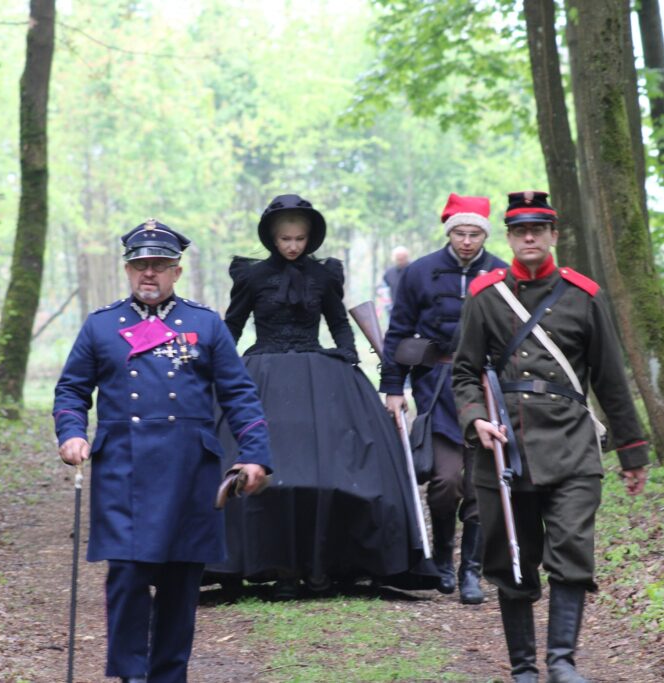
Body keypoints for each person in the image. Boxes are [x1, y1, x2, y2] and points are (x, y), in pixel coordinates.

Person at [53, 219, 272, 683]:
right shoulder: (100, 326)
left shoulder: (205, 324)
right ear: (127, 270)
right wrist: (71, 433)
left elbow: (239, 395)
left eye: (158, 265)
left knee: (180, 581)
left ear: (176, 271)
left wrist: (255, 453)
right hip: (122, 471)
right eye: (140, 265)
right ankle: (132, 674)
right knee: (128, 577)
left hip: (189, 471)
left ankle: (169, 676)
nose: (148, 273)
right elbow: (72, 390)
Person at [452, 191, 650, 683]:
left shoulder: (584, 295)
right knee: (512, 557)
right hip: (505, 448)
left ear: (554, 235)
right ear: (509, 238)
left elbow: (610, 379)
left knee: (573, 551)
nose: (529, 238)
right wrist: (475, 419)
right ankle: (524, 668)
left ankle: (562, 663)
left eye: (538, 230)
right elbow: (463, 372)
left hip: (572, 446)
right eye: (520, 231)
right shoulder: (485, 295)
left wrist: (632, 453)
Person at [205, 193, 438, 600]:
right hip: (264, 372)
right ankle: (269, 564)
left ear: (310, 237)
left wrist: (347, 357)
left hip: (317, 372)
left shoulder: (324, 275)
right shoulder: (252, 277)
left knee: (331, 469)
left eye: (299, 238)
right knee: (260, 467)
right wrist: (219, 367)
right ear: (272, 238)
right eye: (285, 239)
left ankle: (326, 565)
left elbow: (338, 321)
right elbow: (233, 324)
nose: (293, 246)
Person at [380, 193, 508, 605]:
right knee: (445, 481)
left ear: (484, 235)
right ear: (449, 233)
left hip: (486, 389)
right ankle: (441, 559)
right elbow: (398, 332)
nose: (467, 241)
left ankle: (470, 571)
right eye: (459, 233)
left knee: (479, 483)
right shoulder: (418, 272)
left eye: (474, 234)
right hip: (435, 387)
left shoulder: (503, 273)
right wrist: (394, 387)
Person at [378, 245, 411, 317]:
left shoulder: (415, 270)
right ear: (394, 259)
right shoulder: (389, 273)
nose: (400, 261)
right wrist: (389, 307)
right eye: (398, 259)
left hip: (413, 309)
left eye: (402, 259)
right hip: (395, 309)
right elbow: (384, 291)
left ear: (407, 257)